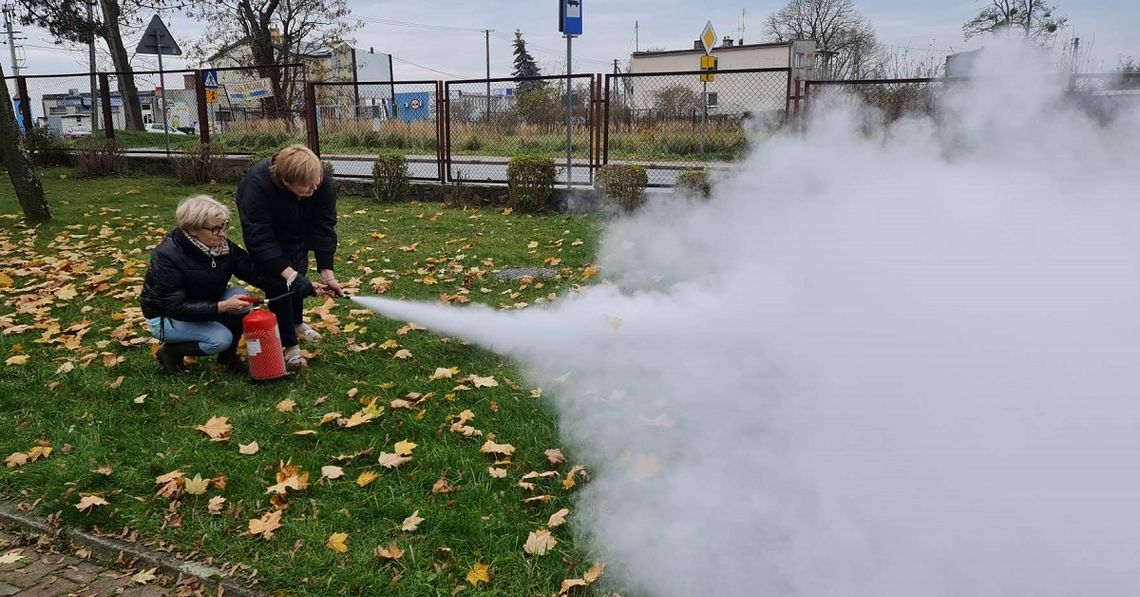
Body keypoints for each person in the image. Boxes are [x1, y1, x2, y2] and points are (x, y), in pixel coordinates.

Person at [140, 195, 294, 374]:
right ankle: (171, 352)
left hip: (204, 304)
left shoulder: (221, 246)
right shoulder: (167, 255)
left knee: (239, 293)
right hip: (166, 318)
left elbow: (254, 272)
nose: (222, 233)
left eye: (223, 226)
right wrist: (222, 306)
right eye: (215, 229)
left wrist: (293, 282)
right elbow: (174, 307)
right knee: (220, 339)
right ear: (192, 229)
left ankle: (227, 359)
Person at [236, 144, 343, 369]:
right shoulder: (255, 188)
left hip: (298, 233)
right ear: (286, 182)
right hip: (271, 236)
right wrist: (289, 275)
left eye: (317, 183)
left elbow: (324, 226)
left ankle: (296, 324)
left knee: (299, 273)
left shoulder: (318, 179)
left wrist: (327, 273)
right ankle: (289, 346)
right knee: (279, 283)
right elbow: (260, 240)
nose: (315, 188)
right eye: (307, 188)